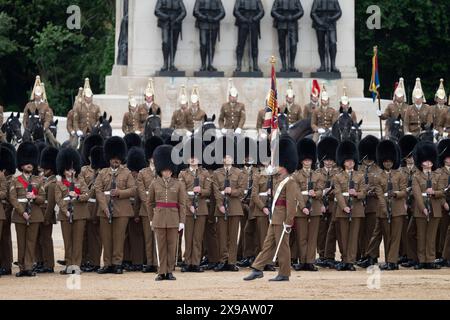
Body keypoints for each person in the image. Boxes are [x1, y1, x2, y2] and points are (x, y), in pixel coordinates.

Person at [243, 136, 299, 281]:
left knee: (283, 246)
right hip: (275, 216)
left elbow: (291, 204)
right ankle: (257, 268)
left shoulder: (290, 182)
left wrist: (289, 221)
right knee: (268, 243)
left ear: (285, 166)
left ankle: (284, 273)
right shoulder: (279, 179)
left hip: (282, 218)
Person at [95, 137, 136, 274]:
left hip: (122, 209)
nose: (115, 160)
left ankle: (117, 263)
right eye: (113, 158)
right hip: (105, 209)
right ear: (109, 158)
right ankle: (107, 263)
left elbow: (133, 190)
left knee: (119, 238)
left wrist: (120, 193)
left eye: (118, 158)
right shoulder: (102, 173)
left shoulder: (127, 173)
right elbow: (98, 190)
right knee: (106, 238)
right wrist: (104, 207)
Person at [148, 145, 187, 281]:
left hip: (173, 218)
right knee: (160, 246)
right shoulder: (154, 184)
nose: (167, 173)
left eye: (169, 170)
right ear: (161, 171)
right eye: (165, 170)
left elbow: (182, 204)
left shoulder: (179, 184)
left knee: (172, 246)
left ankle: (170, 271)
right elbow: (150, 203)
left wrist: (182, 221)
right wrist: (151, 219)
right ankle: (161, 271)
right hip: (159, 218)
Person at [10, 142, 46, 277]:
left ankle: (29, 266)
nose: (29, 164)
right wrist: (22, 212)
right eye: (26, 162)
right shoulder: (15, 180)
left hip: (34, 214)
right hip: (20, 214)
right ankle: (21, 267)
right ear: (21, 164)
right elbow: (13, 199)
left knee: (31, 242)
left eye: (31, 162)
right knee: (21, 242)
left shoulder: (38, 180)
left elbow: (43, 198)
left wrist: (35, 196)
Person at [212, 136, 245, 272]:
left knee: (233, 236)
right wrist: (220, 204)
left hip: (235, 207)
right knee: (222, 236)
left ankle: (232, 261)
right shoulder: (216, 173)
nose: (227, 159)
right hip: (221, 207)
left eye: (230, 157)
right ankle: (223, 260)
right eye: (225, 157)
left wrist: (232, 191)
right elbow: (215, 191)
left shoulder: (239, 173)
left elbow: (242, 191)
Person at [372, 140, 407, 270]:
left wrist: (396, 193)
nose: (388, 163)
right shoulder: (378, 176)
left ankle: (393, 262)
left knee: (396, 236)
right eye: (385, 161)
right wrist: (384, 209)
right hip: (384, 209)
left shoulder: (400, 175)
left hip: (397, 208)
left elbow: (404, 191)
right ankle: (389, 260)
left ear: (394, 161)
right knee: (387, 236)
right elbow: (380, 195)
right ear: (382, 161)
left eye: (390, 161)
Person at [178, 138, 212, 272]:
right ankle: (187, 262)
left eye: (195, 157)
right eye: (190, 157)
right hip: (188, 208)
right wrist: (189, 205)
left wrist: (201, 191)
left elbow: (208, 190)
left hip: (201, 207)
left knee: (198, 237)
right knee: (188, 237)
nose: (193, 159)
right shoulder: (182, 174)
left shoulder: (205, 173)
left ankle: (196, 262)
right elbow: (182, 192)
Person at [333, 141, 367, 271]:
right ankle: (344, 258)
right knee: (343, 236)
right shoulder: (338, 176)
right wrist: (343, 206)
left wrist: (357, 194)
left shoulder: (360, 176)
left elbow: (364, 193)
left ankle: (350, 261)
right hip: (343, 209)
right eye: (347, 161)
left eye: (352, 160)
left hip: (356, 208)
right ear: (343, 162)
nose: (350, 163)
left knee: (353, 236)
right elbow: (337, 192)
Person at [55, 148, 89, 274]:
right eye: (68, 169)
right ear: (63, 170)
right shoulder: (59, 184)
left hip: (79, 213)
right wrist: (65, 211)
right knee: (67, 241)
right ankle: (69, 265)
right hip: (66, 215)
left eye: (73, 169)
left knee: (78, 241)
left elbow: (87, 195)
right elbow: (59, 199)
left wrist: (78, 196)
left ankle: (77, 265)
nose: (71, 172)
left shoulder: (80, 181)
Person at [292, 138, 324, 272]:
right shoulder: (296, 175)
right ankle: (302, 260)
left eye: (309, 160)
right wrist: (302, 207)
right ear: (301, 160)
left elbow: (321, 190)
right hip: (300, 208)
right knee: (302, 236)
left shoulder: (318, 175)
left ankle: (310, 261)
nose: (307, 162)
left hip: (315, 207)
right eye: (305, 160)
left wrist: (315, 193)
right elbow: (296, 192)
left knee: (312, 236)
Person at [412, 141, 445, 270]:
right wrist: (423, 208)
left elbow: (442, 191)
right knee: (421, 236)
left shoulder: (438, 175)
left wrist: (434, 192)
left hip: (435, 207)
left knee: (431, 236)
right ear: (421, 162)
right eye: (425, 161)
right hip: (421, 209)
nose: (428, 163)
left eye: (430, 161)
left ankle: (430, 260)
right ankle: (421, 260)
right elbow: (417, 194)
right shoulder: (416, 176)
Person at [137, 136, 164, 273]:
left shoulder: (162, 173)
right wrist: (149, 200)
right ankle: (150, 262)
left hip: (160, 208)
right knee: (148, 237)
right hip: (146, 209)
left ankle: (158, 262)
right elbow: (141, 191)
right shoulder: (142, 173)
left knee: (158, 237)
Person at [79, 134, 105, 272]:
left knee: (95, 235)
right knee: (83, 234)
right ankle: (83, 260)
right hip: (86, 205)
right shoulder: (84, 170)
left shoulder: (104, 171)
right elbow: (82, 186)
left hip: (97, 206)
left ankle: (94, 262)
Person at [315, 137, 342, 268]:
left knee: (332, 232)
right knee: (320, 231)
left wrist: (330, 192)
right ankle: (321, 255)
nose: (329, 162)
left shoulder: (339, 173)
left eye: (331, 159)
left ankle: (330, 255)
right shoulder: (317, 173)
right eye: (327, 159)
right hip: (320, 205)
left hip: (333, 205)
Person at [34, 147, 59, 274]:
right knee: (39, 239)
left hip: (46, 214)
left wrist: (47, 217)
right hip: (39, 213)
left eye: (46, 168)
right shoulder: (45, 181)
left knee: (46, 240)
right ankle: (40, 261)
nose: (44, 170)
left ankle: (49, 264)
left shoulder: (53, 182)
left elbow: (50, 203)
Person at [357, 135, 381, 263]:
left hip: (373, 205)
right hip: (360, 205)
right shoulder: (359, 169)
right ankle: (363, 254)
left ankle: (372, 256)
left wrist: (371, 190)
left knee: (372, 232)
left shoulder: (379, 169)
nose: (367, 161)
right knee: (361, 232)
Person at [123, 147, 147, 271]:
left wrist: (137, 213)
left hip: (137, 209)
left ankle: (138, 260)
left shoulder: (141, 176)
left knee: (137, 235)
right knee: (126, 236)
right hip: (126, 208)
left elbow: (139, 196)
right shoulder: (128, 174)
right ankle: (127, 259)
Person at [23, 76, 58, 147]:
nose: (38, 97)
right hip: (30, 127)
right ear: (34, 95)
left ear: (41, 95)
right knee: (23, 140)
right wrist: (26, 127)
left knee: (51, 139)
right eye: (36, 95)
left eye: (39, 95)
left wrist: (44, 127)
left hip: (42, 127)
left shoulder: (45, 106)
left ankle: (55, 147)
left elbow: (48, 119)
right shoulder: (28, 105)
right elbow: (25, 117)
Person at [271, 0, 304, 72]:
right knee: (282, 45)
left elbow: (301, 11)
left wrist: (293, 17)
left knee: (293, 45)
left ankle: (292, 65)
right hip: (281, 24)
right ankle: (284, 65)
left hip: (292, 23)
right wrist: (280, 17)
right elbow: (273, 11)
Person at [193, 0, 225, 71]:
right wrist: (205, 18)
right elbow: (195, 11)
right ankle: (203, 64)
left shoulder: (217, 1)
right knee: (203, 44)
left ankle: (210, 64)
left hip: (214, 25)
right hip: (203, 24)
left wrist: (215, 19)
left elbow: (222, 12)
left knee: (211, 46)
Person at [155, 0, 187, 72]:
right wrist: (166, 17)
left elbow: (184, 12)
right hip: (165, 24)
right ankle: (165, 63)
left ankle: (172, 63)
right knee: (165, 42)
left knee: (174, 44)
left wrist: (177, 19)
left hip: (175, 24)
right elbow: (156, 11)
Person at [311, 0, 342, 73]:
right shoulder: (317, 1)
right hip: (319, 25)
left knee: (333, 43)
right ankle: (322, 65)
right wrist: (320, 22)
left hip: (331, 24)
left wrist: (332, 18)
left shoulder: (334, 1)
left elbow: (339, 12)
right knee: (321, 44)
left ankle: (333, 65)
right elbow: (313, 13)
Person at [233, 0, 265, 72]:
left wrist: (255, 18)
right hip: (243, 23)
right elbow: (235, 11)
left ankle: (255, 65)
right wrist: (243, 19)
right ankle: (238, 65)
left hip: (253, 23)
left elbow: (262, 11)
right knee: (240, 45)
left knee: (254, 45)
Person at [0, 145, 16, 275]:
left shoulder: (10, 180)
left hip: (6, 210)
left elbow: (10, 199)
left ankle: (6, 264)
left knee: (5, 237)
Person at [435, 139, 450, 268]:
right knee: (443, 230)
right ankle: (441, 254)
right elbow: (439, 190)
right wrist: (444, 203)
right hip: (444, 204)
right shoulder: (439, 172)